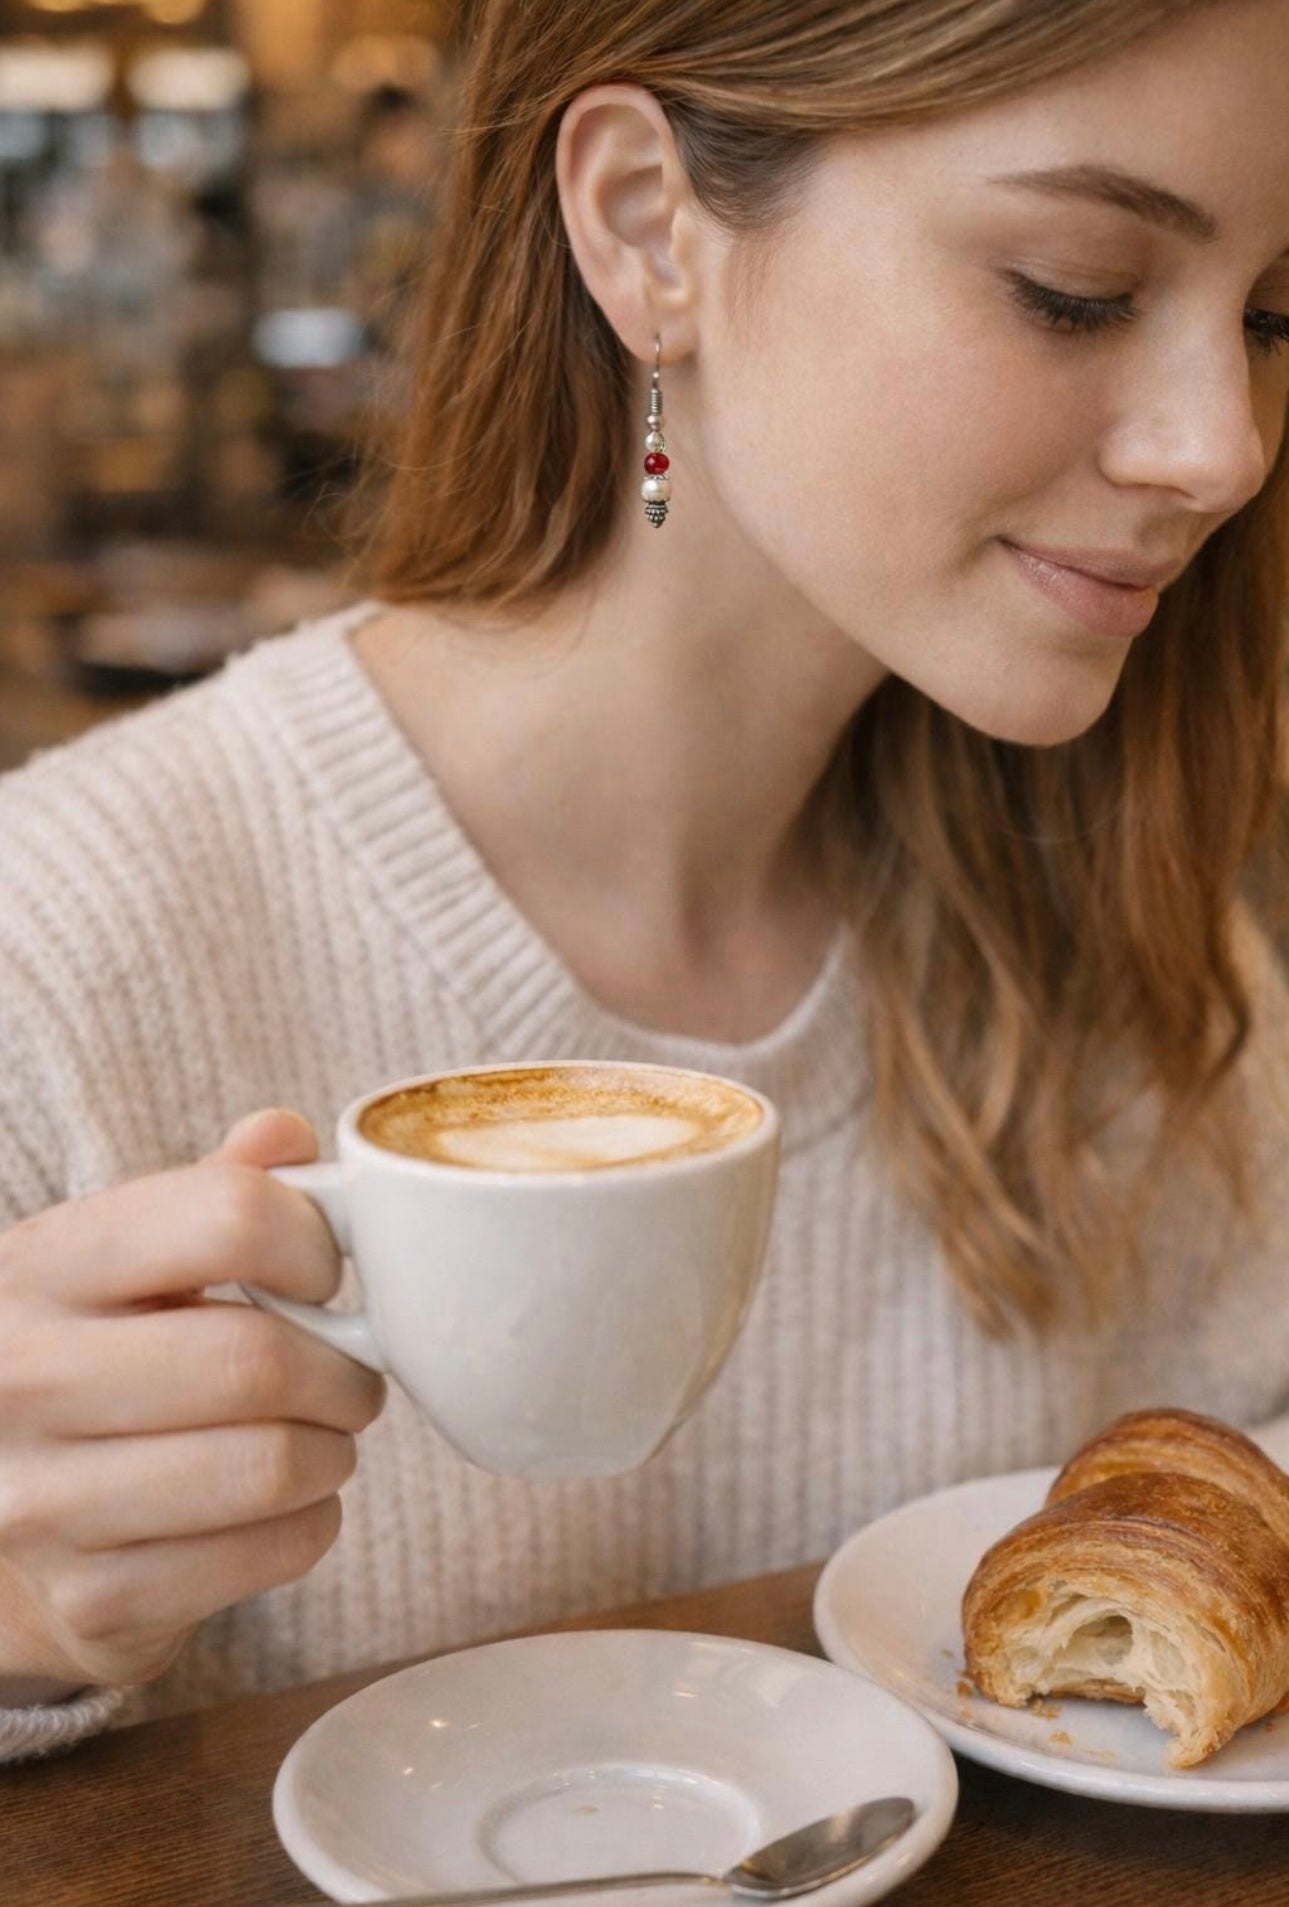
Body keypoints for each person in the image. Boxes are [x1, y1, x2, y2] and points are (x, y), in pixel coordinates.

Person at [3, 0, 1289, 1764]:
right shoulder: (58, 961)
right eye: (1074, 289)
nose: (1222, 447)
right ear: (641, 227)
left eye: (1272, 315)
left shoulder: (1131, 944)